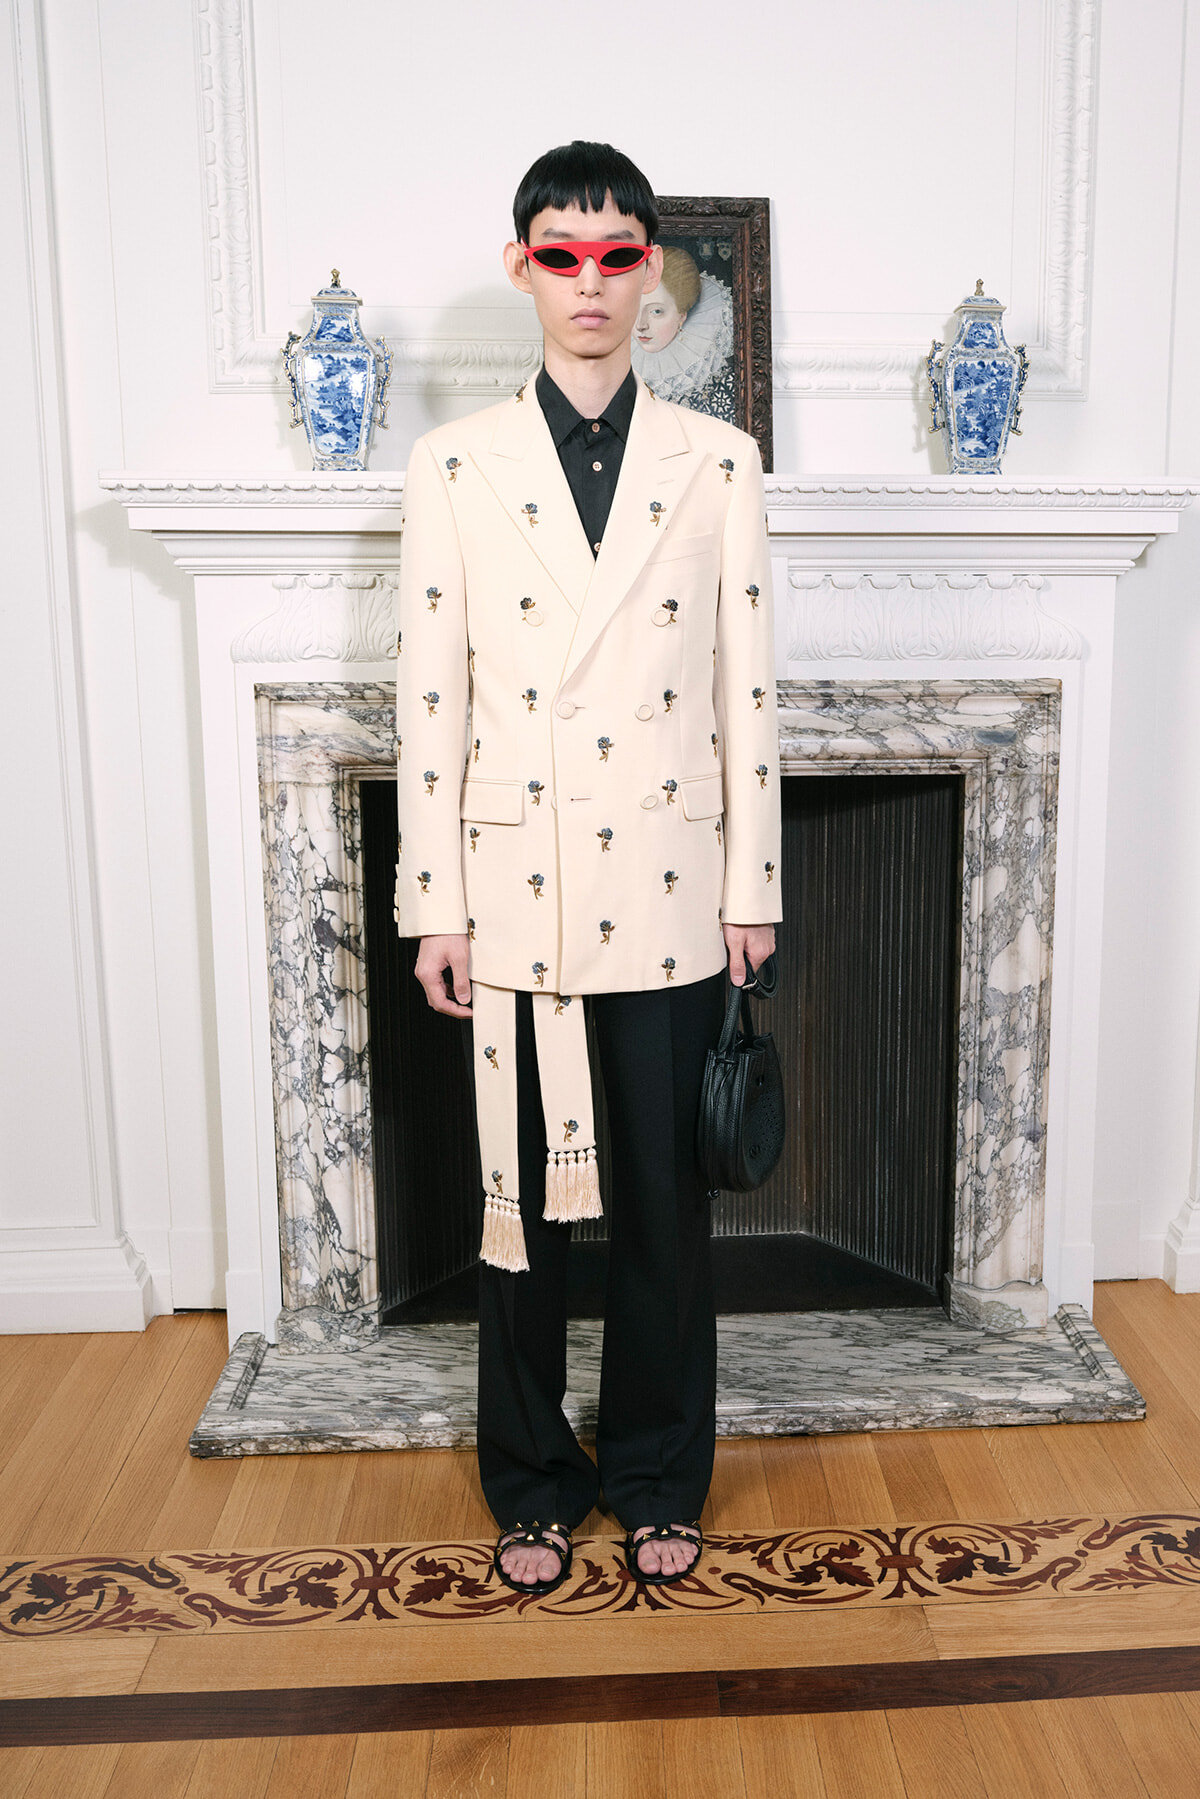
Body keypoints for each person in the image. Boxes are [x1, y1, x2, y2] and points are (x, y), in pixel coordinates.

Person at [395, 140, 781, 1594]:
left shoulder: (719, 462)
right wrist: (433, 900)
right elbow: (431, 696)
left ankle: (660, 1471)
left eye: (618, 256)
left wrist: (754, 887)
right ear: (523, 269)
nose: (591, 284)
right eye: (562, 255)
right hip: (518, 890)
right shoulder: (454, 464)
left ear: (650, 274)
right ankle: (534, 1480)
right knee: (521, 1217)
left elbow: (750, 690)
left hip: (673, 885)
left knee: (666, 1216)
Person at [632, 244, 737, 422]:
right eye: (634, 308)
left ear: (682, 316)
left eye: (656, 311)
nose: (640, 325)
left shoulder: (715, 379)